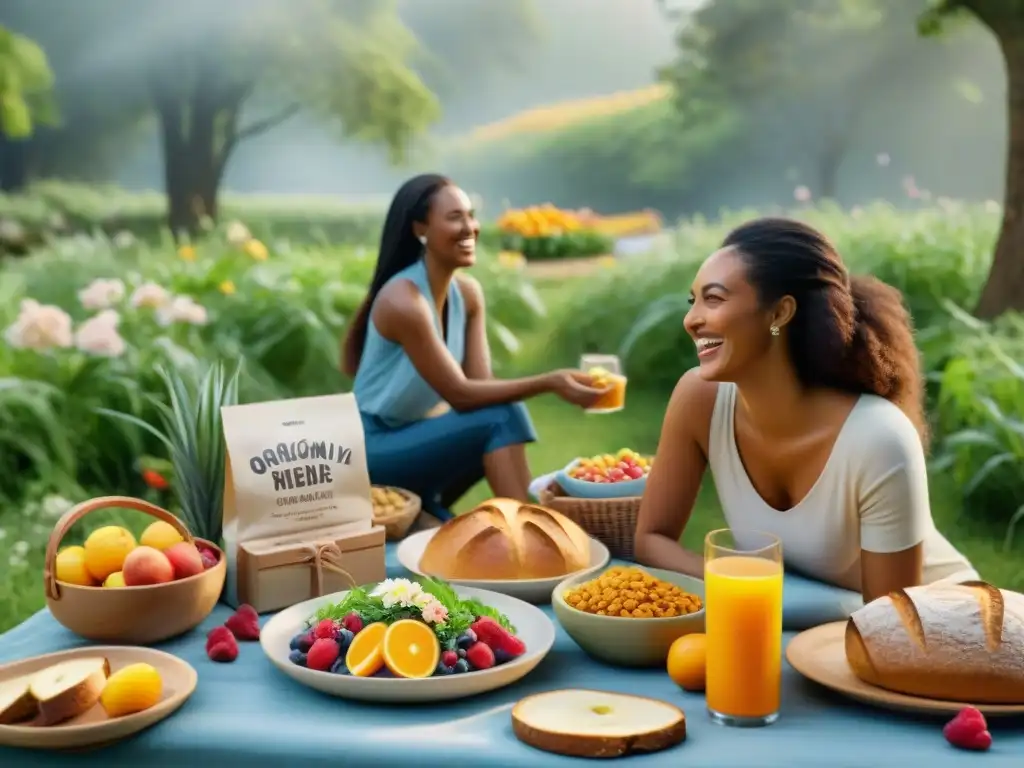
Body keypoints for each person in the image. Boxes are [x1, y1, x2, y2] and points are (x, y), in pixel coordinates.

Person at [634, 217, 978, 604]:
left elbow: (894, 623)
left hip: (940, 624)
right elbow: (652, 539)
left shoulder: (879, 438)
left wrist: (770, 595)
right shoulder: (699, 399)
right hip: (812, 626)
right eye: (692, 300)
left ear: (780, 314)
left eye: (713, 299)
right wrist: (742, 583)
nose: (691, 320)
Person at [342, 174, 606, 521]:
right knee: (503, 416)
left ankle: (443, 509)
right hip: (371, 451)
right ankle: (534, 530)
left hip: (410, 441)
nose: (470, 227)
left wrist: (547, 384)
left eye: (471, 215)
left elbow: (483, 386)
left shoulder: (466, 295)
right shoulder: (404, 302)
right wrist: (550, 382)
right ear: (421, 229)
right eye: (455, 217)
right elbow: (461, 395)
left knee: (501, 412)